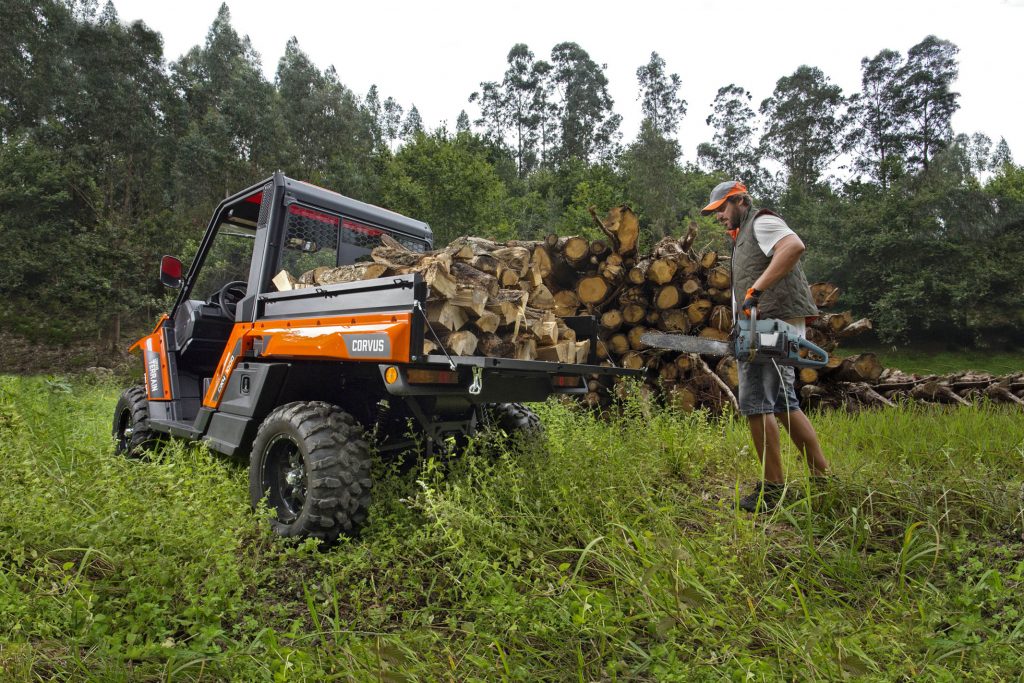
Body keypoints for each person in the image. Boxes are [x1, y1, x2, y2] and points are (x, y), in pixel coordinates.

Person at [700, 180, 830, 512]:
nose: (718, 217)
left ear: (740, 201)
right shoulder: (743, 237)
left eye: (722, 209)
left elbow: (793, 246)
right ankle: (822, 477)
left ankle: (772, 490)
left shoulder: (762, 222)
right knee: (784, 402)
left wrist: (755, 290)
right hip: (764, 326)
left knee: (755, 402)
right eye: (715, 212)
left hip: (771, 325)